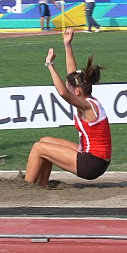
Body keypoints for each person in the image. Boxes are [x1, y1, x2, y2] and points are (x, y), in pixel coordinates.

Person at [24, 28, 111, 188]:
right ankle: (41, 185)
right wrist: (67, 45)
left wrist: (49, 65)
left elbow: (64, 93)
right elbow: (72, 76)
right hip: (91, 155)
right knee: (45, 141)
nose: (66, 85)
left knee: (38, 148)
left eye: (69, 85)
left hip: (92, 163)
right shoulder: (85, 98)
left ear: (77, 91)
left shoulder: (87, 106)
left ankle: (24, 190)